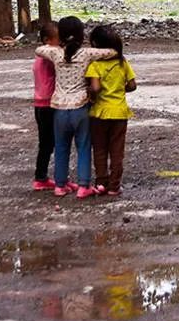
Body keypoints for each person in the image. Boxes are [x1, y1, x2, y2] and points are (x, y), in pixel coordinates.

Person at [35, 16, 118, 198]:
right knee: (83, 147)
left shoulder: (56, 53)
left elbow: (38, 50)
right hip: (80, 107)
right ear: (81, 34)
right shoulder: (87, 53)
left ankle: (59, 185)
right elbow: (111, 52)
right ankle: (83, 186)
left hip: (59, 109)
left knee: (61, 148)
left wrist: (56, 47)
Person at [86, 26, 137, 196]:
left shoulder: (95, 65)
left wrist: (91, 94)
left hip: (99, 113)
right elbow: (132, 85)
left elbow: (95, 88)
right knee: (117, 151)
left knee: (99, 149)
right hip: (120, 113)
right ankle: (115, 185)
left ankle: (101, 182)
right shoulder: (123, 62)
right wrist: (119, 90)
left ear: (95, 45)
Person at [30, 21, 59, 191]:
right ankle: (41, 177)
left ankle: (41, 176)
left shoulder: (39, 58)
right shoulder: (49, 56)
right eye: (59, 40)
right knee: (51, 142)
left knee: (45, 143)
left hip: (39, 103)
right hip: (49, 104)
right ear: (47, 40)